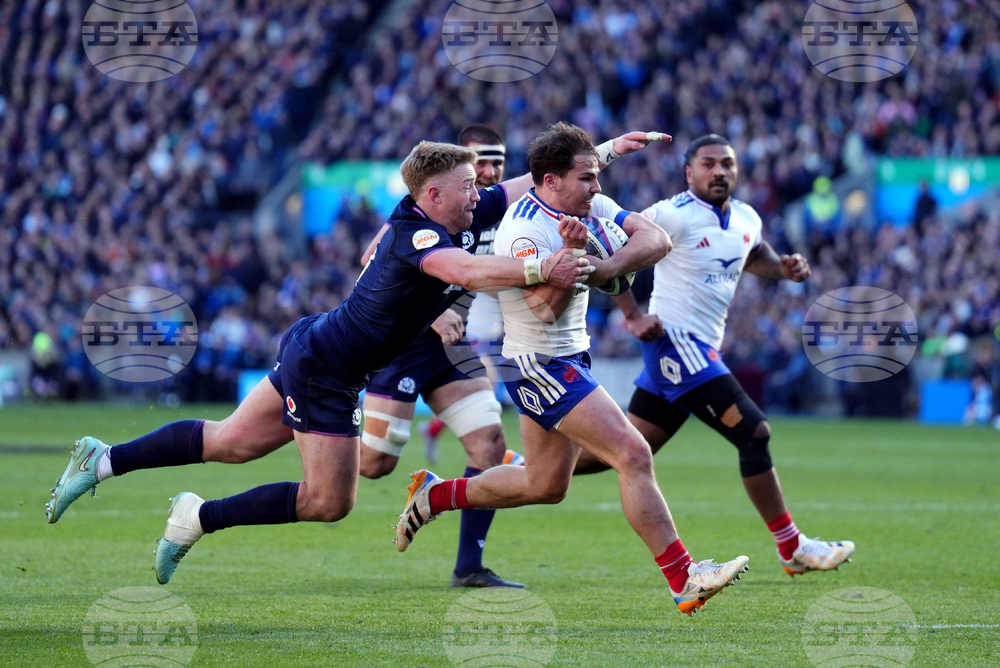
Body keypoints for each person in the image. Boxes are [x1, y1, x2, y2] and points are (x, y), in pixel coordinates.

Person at [45, 141, 595, 585]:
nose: (480, 193)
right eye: (469, 186)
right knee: (328, 501)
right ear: (433, 193)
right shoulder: (415, 232)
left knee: (230, 441)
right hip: (326, 370)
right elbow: (468, 273)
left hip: (318, 346)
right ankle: (197, 517)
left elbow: (527, 185)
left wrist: (603, 152)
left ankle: (103, 460)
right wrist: (542, 268)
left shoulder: (463, 212)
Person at [394, 123, 750, 616]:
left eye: (596, 176)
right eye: (586, 178)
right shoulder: (524, 229)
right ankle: (683, 577)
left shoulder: (589, 206)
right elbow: (544, 310)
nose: (597, 187)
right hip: (538, 364)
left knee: (544, 486)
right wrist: (575, 254)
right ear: (551, 180)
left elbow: (657, 240)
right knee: (633, 453)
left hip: (571, 357)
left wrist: (604, 269)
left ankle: (436, 496)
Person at [355, 126, 657, 588]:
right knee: (373, 465)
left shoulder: (493, 203)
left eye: (496, 162)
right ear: (451, 175)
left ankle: (467, 564)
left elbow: (554, 176)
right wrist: (434, 313)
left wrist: (612, 149)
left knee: (496, 449)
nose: (490, 171)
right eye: (478, 164)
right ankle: (317, 425)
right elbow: (375, 262)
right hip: (408, 342)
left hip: (459, 346)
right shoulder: (424, 215)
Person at [572, 134, 855, 577]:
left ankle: (523, 470)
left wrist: (783, 268)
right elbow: (610, 247)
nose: (719, 171)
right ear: (689, 172)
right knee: (754, 432)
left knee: (623, 452)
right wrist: (632, 315)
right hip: (675, 343)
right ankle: (792, 546)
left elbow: (753, 253)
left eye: (726, 163)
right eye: (708, 164)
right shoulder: (671, 213)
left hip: (699, 348)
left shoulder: (746, 216)